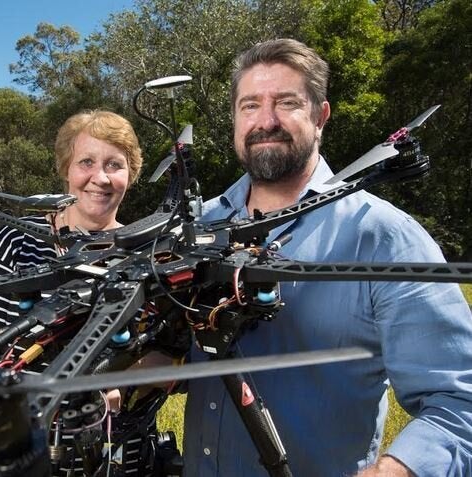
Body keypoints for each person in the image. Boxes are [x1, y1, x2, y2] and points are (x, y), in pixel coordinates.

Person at [183, 38, 472, 476]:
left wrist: (396, 470)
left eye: (286, 103)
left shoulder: (383, 237)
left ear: (320, 117)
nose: (266, 120)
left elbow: (459, 398)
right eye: (249, 105)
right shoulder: (195, 229)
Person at [0, 110, 172, 476]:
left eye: (114, 165)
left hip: (130, 461)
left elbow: (173, 366)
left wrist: (113, 374)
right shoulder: (19, 240)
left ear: (130, 174)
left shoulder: (153, 251)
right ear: (66, 169)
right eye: (85, 162)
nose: (100, 178)